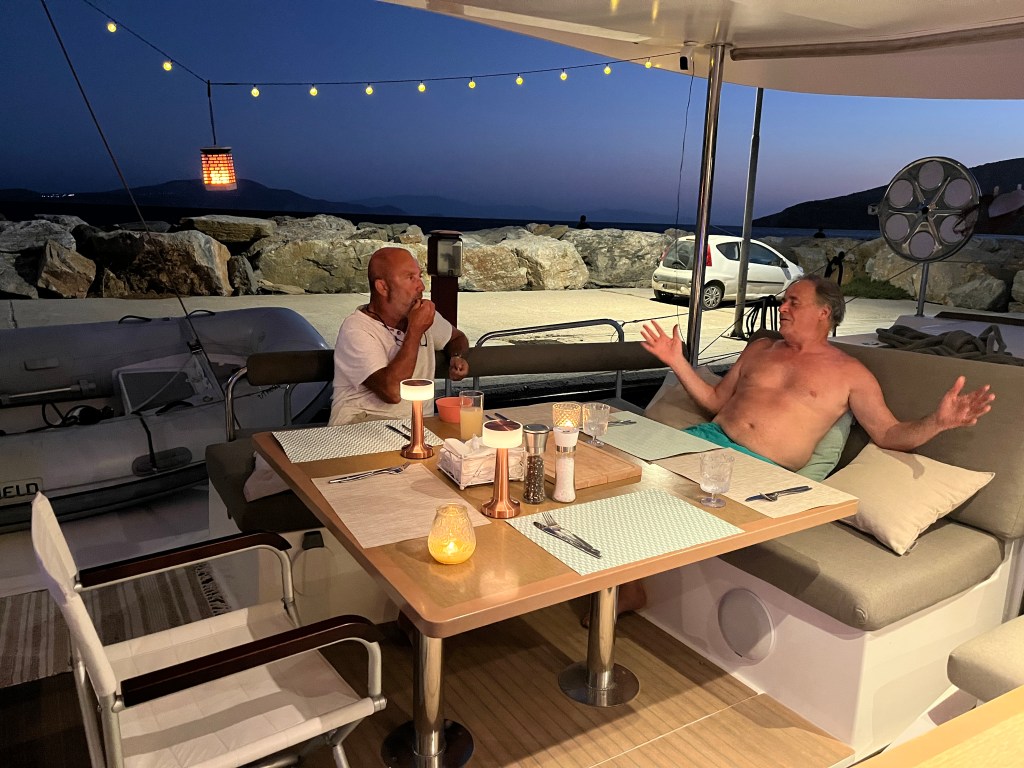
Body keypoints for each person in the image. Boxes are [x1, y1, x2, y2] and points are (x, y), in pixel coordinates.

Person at [640, 275, 994, 472]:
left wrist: (938, 422)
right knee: (627, 471)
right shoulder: (760, 349)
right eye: (784, 300)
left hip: (760, 468)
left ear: (824, 313)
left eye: (793, 302)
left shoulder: (850, 374)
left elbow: (888, 433)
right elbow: (715, 401)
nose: (782, 307)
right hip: (705, 439)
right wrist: (677, 361)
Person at [330, 247, 470, 425]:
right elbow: (393, 392)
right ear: (383, 287)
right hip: (362, 425)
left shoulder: (422, 316)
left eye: (419, 276)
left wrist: (456, 356)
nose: (421, 286)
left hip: (417, 424)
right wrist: (415, 330)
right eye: (410, 278)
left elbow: (456, 338)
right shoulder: (356, 329)